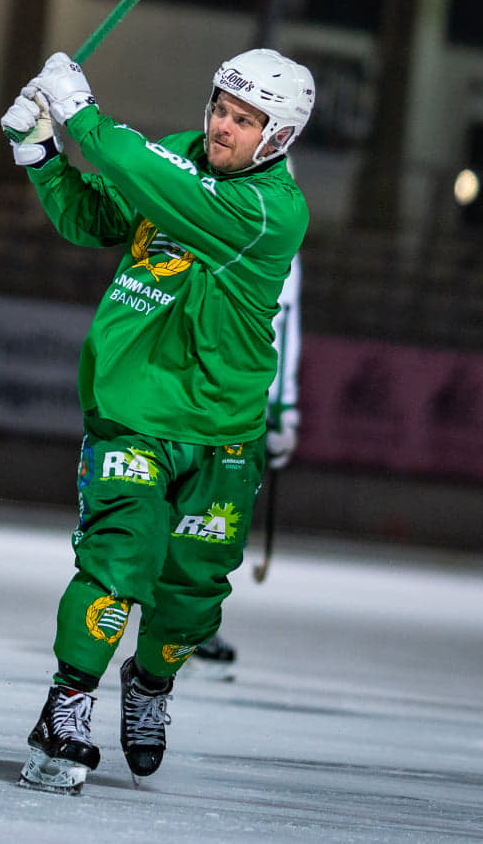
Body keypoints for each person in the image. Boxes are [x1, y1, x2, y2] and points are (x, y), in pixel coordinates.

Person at [0, 48, 313, 793]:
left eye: (245, 120)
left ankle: (151, 686)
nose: (222, 128)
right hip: (134, 412)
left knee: (190, 596)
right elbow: (94, 214)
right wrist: (40, 152)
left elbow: (152, 179)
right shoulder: (175, 155)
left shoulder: (273, 212)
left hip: (223, 432)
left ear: (278, 138)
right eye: (220, 109)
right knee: (116, 559)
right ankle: (65, 708)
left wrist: (81, 116)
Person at [188, 252, 302, 677]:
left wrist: (283, 405)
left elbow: (285, 323)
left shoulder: (282, 223)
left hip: (243, 397)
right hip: (196, 381)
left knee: (217, 514)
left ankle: (190, 620)